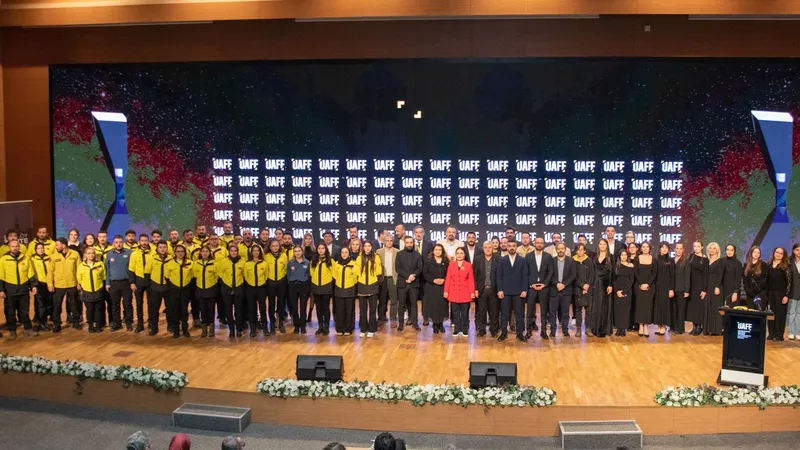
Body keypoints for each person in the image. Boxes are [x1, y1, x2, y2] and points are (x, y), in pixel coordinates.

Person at [0, 240, 38, 339]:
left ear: (19, 247)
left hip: (23, 289)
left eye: (17, 246)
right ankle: (12, 331)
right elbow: (1, 276)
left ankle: (28, 329)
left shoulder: (26, 258)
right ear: (9, 248)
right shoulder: (3, 259)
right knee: (10, 312)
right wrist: (1, 290)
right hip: (10, 290)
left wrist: (33, 286)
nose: (15, 248)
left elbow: (30, 274)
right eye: (13, 246)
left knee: (25, 311)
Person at [497, 240, 528, 341]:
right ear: (507, 247)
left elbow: (525, 276)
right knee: (504, 314)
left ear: (516, 247)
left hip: (519, 292)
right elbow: (499, 276)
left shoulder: (522, 260)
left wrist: (524, 290)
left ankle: (520, 334)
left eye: (513, 246)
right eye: (509, 246)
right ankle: (503, 333)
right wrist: (500, 290)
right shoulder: (502, 260)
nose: (511, 248)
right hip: (505, 292)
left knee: (519, 314)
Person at [444, 246, 476, 337]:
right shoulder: (451, 265)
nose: (459, 255)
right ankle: (457, 329)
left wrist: (472, 292)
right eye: (457, 253)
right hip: (453, 292)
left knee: (465, 312)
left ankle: (464, 329)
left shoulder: (468, 265)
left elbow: (471, 279)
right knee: (455, 312)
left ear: (465, 254)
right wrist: (446, 291)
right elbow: (448, 278)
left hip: (465, 292)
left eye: (461, 253)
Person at [526, 236, 553, 339]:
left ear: (544, 244)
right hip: (531, 287)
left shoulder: (548, 256)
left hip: (544, 287)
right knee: (529, 311)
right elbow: (526, 272)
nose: (539, 244)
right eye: (537, 242)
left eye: (541, 243)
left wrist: (544, 284)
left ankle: (543, 331)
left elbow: (550, 272)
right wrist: (531, 284)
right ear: (534, 243)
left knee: (544, 311)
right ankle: (528, 331)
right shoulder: (528, 256)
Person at [52, 237, 81, 331]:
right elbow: (50, 272)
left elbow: (79, 269)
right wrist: (50, 284)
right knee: (57, 305)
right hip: (58, 285)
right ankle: (57, 324)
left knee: (74, 304)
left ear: (63, 245)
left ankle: (76, 322)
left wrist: (79, 283)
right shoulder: (53, 256)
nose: (56, 247)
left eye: (57, 245)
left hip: (72, 283)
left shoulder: (75, 254)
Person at [105, 235, 133, 331]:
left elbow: (132, 268)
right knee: (115, 305)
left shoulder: (129, 253)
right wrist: (107, 283)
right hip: (114, 283)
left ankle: (129, 323)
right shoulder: (109, 254)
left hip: (126, 283)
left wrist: (132, 282)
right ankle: (117, 323)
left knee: (127, 304)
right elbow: (107, 270)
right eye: (116, 242)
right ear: (113, 243)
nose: (118, 244)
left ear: (123, 243)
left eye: (120, 242)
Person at [395, 236, 423, 331]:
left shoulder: (417, 255)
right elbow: (398, 268)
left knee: (414, 304)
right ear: (405, 243)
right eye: (407, 242)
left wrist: (413, 276)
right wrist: (408, 277)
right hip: (402, 283)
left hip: (414, 283)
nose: (409, 244)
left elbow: (420, 268)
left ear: (413, 243)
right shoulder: (399, 254)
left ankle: (415, 323)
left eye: (411, 242)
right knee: (401, 304)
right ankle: (401, 324)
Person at [219, 243, 246, 338]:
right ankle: (231, 331)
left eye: (235, 251)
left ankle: (239, 330)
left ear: (238, 252)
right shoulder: (223, 262)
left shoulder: (242, 261)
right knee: (228, 310)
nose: (233, 252)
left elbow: (244, 275)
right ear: (229, 252)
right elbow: (220, 274)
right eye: (232, 251)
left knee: (239, 310)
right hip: (227, 289)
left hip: (239, 288)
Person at [166, 244, 194, 338]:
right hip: (174, 289)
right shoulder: (170, 263)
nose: (180, 253)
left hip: (186, 289)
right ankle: (176, 330)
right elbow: (167, 276)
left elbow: (192, 276)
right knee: (175, 310)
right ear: (175, 253)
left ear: (185, 252)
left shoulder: (190, 263)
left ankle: (185, 329)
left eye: (182, 251)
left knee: (184, 310)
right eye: (178, 251)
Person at [473, 241, 499, 337]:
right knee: (481, 312)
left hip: (494, 289)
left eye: (490, 247)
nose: (488, 249)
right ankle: (482, 330)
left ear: (493, 249)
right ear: (483, 248)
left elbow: (500, 275)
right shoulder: (477, 259)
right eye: (486, 247)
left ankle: (494, 330)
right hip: (481, 290)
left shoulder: (498, 259)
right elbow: (474, 276)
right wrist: (475, 289)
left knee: (494, 312)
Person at [548, 242, 575, 338]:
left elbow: (573, 275)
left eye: (562, 248)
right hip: (554, 290)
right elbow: (549, 274)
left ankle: (565, 330)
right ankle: (552, 331)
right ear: (556, 250)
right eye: (558, 248)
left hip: (566, 291)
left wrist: (564, 284)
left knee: (565, 313)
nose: (560, 250)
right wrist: (557, 284)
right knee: (552, 313)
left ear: (565, 249)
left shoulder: (571, 261)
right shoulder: (551, 261)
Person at [77, 247, 106, 333]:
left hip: (98, 290)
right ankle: (90, 326)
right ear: (85, 255)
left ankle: (98, 325)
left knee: (98, 309)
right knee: (89, 309)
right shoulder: (81, 266)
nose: (91, 255)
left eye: (93, 253)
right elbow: (79, 278)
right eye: (89, 253)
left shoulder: (100, 264)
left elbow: (103, 276)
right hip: (87, 291)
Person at [356, 241, 382, 337]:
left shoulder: (376, 257)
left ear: (372, 247)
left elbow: (379, 271)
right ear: (363, 247)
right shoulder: (359, 257)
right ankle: (363, 329)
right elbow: (356, 272)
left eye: (369, 246)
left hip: (373, 285)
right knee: (363, 310)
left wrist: (376, 282)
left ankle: (372, 329)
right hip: (362, 285)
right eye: (365, 246)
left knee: (372, 309)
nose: (367, 248)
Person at [128, 234, 152, 333]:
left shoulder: (153, 252)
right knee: (139, 304)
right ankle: (140, 324)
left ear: (148, 241)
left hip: (150, 280)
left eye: (146, 240)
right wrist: (132, 282)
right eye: (142, 240)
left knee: (151, 304)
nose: (144, 242)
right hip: (138, 281)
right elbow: (131, 269)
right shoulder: (134, 254)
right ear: (139, 242)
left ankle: (151, 322)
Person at [590, 238, 614, 338]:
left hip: (605, 284)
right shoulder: (594, 256)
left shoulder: (610, 257)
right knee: (595, 306)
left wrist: (610, 285)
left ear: (607, 245)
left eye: (604, 244)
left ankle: (603, 329)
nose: (602, 246)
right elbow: (591, 270)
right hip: (595, 283)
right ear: (598, 245)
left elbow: (612, 272)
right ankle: (595, 328)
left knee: (604, 306)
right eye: (601, 244)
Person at [193, 246, 219, 338]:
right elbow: (195, 275)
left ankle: (211, 328)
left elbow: (217, 276)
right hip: (200, 289)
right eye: (203, 251)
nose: (205, 253)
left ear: (210, 253)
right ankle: (204, 329)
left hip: (211, 289)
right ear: (200, 253)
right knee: (202, 309)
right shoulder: (196, 263)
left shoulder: (214, 264)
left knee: (211, 309)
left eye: (207, 251)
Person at [147, 241, 172, 336]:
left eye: (164, 247)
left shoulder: (171, 259)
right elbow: (147, 272)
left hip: (168, 288)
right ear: (157, 249)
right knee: (154, 310)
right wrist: (150, 285)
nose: (162, 249)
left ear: (167, 248)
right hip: (155, 287)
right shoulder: (152, 259)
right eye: (160, 247)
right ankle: (154, 328)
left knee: (170, 308)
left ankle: (171, 326)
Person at [766, 246, 791, 341]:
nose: (778, 254)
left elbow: (789, 282)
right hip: (770, 293)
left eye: (781, 253)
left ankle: (779, 335)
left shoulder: (786, 266)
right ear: (774, 253)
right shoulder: (768, 265)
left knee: (780, 315)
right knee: (770, 313)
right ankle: (771, 334)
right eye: (777, 252)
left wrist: (786, 295)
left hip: (781, 294)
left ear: (783, 255)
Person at [310, 242, 334, 335]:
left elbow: (333, 273)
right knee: (318, 308)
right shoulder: (314, 260)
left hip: (326, 286)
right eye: (319, 248)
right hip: (316, 286)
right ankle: (320, 326)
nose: (321, 250)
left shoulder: (330, 260)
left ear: (325, 250)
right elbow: (312, 272)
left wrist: (328, 281)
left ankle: (326, 326)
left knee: (326, 308)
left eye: (322, 248)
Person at [633, 241, 657, 337]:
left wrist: (648, 284)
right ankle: (640, 326)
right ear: (641, 248)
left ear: (650, 248)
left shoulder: (653, 259)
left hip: (650, 286)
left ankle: (646, 326)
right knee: (639, 306)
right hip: (639, 286)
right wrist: (641, 284)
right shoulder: (637, 258)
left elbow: (654, 273)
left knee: (648, 307)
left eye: (647, 247)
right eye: (643, 246)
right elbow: (635, 272)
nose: (645, 248)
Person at [424, 243, 448, 334]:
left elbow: (449, 273)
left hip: (443, 286)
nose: (438, 251)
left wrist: (444, 280)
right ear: (433, 251)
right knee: (433, 305)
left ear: (442, 251)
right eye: (436, 249)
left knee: (442, 304)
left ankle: (441, 324)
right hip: (431, 286)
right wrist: (433, 280)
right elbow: (425, 273)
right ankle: (435, 324)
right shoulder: (428, 260)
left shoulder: (446, 261)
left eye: (440, 250)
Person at [245, 244, 269, 337]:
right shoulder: (247, 264)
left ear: (260, 252)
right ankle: (253, 328)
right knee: (252, 308)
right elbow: (246, 276)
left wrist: (261, 283)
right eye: (254, 250)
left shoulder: (264, 263)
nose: (256, 252)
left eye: (257, 250)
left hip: (261, 288)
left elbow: (266, 275)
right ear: (251, 252)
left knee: (263, 308)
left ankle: (265, 327)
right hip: (250, 288)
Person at [333, 247, 358, 335]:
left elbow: (355, 277)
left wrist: (350, 284)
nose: (344, 254)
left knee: (349, 310)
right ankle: (340, 328)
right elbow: (334, 276)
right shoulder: (336, 264)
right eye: (342, 252)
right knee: (339, 310)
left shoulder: (353, 264)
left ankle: (348, 328)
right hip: (339, 289)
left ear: (349, 253)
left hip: (350, 289)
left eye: (346, 252)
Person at [265, 239, 288, 334]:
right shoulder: (266, 256)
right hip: (270, 283)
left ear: (279, 246)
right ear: (270, 247)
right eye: (273, 246)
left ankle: (281, 323)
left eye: (276, 246)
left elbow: (286, 269)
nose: (275, 247)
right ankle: (272, 323)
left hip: (281, 282)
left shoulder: (284, 256)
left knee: (281, 304)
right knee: (271, 304)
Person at [30, 242, 54, 332]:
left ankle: (45, 321)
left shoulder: (48, 258)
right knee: (40, 305)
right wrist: (34, 285)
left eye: (42, 248)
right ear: (35, 250)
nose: (40, 250)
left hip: (48, 283)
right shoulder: (32, 259)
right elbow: (31, 273)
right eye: (38, 248)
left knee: (48, 304)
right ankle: (41, 322)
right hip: (39, 284)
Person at [572, 243, 595, 337]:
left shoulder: (589, 260)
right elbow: (573, 276)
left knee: (589, 310)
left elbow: (592, 274)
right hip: (578, 289)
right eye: (578, 249)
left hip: (588, 289)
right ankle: (578, 329)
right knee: (578, 310)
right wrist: (582, 286)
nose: (580, 251)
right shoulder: (573, 260)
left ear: (585, 251)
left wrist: (587, 285)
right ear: (576, 251)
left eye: (582, 249)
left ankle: (588, 328)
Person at [288, 245, 311, 334]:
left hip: (303, 286)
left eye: (299, 251)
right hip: (293, 286)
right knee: (294, 307)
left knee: (303, 307)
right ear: (293, 253)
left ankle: (303, 326)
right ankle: (296, 326)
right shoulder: (290, 263)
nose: (297, 253)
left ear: (302, 252)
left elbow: (308, 274)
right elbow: (288, 274)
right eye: (295, 251)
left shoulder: (307, 262)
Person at [687, 241, 709, 336]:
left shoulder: (705, 260)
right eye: (694, 246)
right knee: (692, 306)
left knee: (698, 307)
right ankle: (694, 326)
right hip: (691, 285)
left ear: (702, 247)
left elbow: (705, 275)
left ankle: (699, 327)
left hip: (699, 285)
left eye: (698, 246)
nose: (696, 248)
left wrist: (704, 289)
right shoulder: (691, 256)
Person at [703, 242, 725, 336]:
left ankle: (716, 330)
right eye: (710, 248)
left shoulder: (720, 261)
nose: (712, 250)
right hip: (708, 286)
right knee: (708, 306)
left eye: (714, 248)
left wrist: (717, 286)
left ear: (717, 250)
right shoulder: (706, 260)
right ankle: (708, 329)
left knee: (715, 307)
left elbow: (721, 274)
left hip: (716, 286)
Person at [375, 234, 397, 324]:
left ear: (393, 242)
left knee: (394, 300)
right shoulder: (379, 251)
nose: (389, 242)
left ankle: (393, 318)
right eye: (387, 241)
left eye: (391, 240)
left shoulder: (397, 252)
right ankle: (381, 318)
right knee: (382, 300)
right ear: (384, 242)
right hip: (382, 279)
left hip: (393, 278)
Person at [653, 242, 675, 336]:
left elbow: (672, 276)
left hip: (666, 286)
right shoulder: (655, 259)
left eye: (666, 247)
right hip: (657, 286)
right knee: (658, 306)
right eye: (662, 247)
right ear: (659, 249)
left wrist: (671, 289)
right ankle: (659, 325)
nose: (664, 249)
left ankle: (663, 326)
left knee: (664, 306)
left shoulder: (670, 260)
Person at [613, 251, 635, 336]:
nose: (624, 256)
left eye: (625, 255)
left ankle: (623, 329)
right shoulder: (616, 266)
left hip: (627, 291)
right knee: (618, 310)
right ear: (619, 256)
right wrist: (617, 291)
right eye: (622, 255)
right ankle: (618, 329)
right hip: (617, 291)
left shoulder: (631, 265)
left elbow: (631, 280)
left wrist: (624, 291)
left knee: (625, 310)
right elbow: (614, 279)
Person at [671, 242, 691, 334]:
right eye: (677, 248)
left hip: (681, 289)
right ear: (674, 249)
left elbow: (687, 276)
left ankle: (679, 329)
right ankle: (673, 327)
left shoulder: (686, 261)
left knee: (680, 310)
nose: (678, 250)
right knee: (674, 309)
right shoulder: (671, 260)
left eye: (680, 248)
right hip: (672, 289)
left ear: (683, 250)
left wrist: (687, 290)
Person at [742, 245, 767, 311]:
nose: (756, 254)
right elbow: (744, 280)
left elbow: (764, 280)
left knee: (759, 313)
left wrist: (755, 291)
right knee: (750, 313)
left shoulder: (763, 264)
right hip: (749, 294)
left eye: (758, 252)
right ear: (751, 253)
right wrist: (748, 290)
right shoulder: (746, 264)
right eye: (755, 252)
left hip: (760, 293)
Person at [788, 243, 800, 340]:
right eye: (797, 250)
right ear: (793, 251)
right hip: (792, 291)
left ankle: (798, 332)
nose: (799, 252)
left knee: (799, 313)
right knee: (792, 312)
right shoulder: (789, 261)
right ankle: (791, 332)